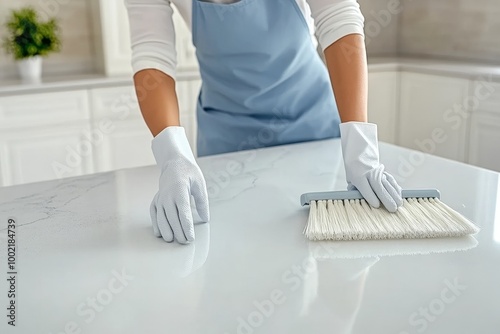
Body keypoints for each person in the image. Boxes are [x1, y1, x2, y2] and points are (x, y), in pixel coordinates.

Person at [125, 0, 403, 244]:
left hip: (312, 122)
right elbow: (153, 55)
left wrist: (359, 144)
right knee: (232, 247)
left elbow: (339, 17)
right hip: (227, 133)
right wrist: (172, 154)